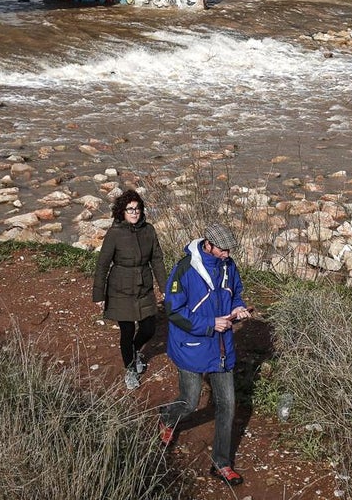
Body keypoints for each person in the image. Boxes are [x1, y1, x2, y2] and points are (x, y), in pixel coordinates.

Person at [157, 223, 251, 487]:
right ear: (208, 245)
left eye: (230, 249)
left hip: (222, 348)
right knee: (189, 401)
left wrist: (240, 308)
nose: (228, 254)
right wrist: (211, 324)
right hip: (191, 347)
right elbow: (174, 311)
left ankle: (221, 463)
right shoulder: (184, 269)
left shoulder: (228, 265)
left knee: (228, 406)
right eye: (223, 249)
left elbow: (236, 293)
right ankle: (166, 417)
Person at [91, 189, 168, 390]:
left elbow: (157, 260)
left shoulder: (149, 230)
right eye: (130, 209)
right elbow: (102, 264)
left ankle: (134, 350)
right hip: (120, 289)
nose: (134, 212)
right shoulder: (114, 233)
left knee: (149, 328)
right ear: (122, 212)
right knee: (127, 331)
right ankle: (131, 369)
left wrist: (165, 287)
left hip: (143, 286)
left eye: (137, 209)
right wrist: (99, 294)